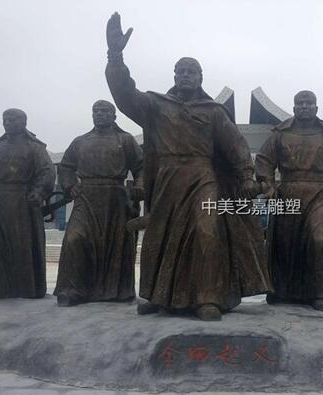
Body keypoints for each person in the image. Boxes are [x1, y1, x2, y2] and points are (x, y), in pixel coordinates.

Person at [105, 12, 271, 320]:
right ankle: (157, 296)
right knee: (159, 235)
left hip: (202, 178)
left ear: (200, 78)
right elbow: (124, 95)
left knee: (208, 231)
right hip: (167, 178)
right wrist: (115, 56)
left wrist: (247, 176)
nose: (185, 75)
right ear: (174, 76)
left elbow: (236, 146)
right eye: (180, 71)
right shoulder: (156, 106)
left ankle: (208, 297)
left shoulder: (213, 111)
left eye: (191, 72)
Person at [255, 91, 323, 312]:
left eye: (309, 103)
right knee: (285, 243)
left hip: (319, 193)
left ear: (316, 107)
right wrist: (267, 184)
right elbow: (264, 160)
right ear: (294, 108)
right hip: (287, 192)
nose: (304, 106)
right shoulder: (280, 133)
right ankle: (281, 291)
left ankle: (319, 292)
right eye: (300, 103)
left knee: (319, 237)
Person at [54, 100, 144, 306]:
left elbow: (141, 166)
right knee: (74, 238)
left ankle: (116, 291)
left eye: (104, 111)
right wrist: (70, 186)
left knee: (116, 245)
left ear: (114, 116)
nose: (99, 114)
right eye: (96, 111)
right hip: (86, 196)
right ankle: (71, 290)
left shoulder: (125, 140)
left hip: (115, 197)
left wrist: (140, 185)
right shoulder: (80, 141)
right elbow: (65, 167)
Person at [0, 109, 55, 301]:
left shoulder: (35, 147)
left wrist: (39, 192)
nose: (7, 123)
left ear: (23, 122)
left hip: (21, 200)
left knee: (20, 245)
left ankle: (24, 289)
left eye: (12, 120)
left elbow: (47, 172)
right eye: (4, 120)